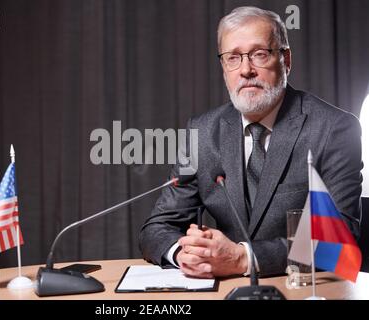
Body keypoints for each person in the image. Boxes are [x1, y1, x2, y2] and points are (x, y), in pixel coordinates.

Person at [139, 6, 363, 278]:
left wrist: (243, 258)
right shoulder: (202, 131)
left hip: (304, 287)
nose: (246, 70)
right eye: (233, 58)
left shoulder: (334, 128)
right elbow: (157, 228)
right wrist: (183, 253)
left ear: (286, 60)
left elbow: (338, 239)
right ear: (224, 68)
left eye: (260, 54)